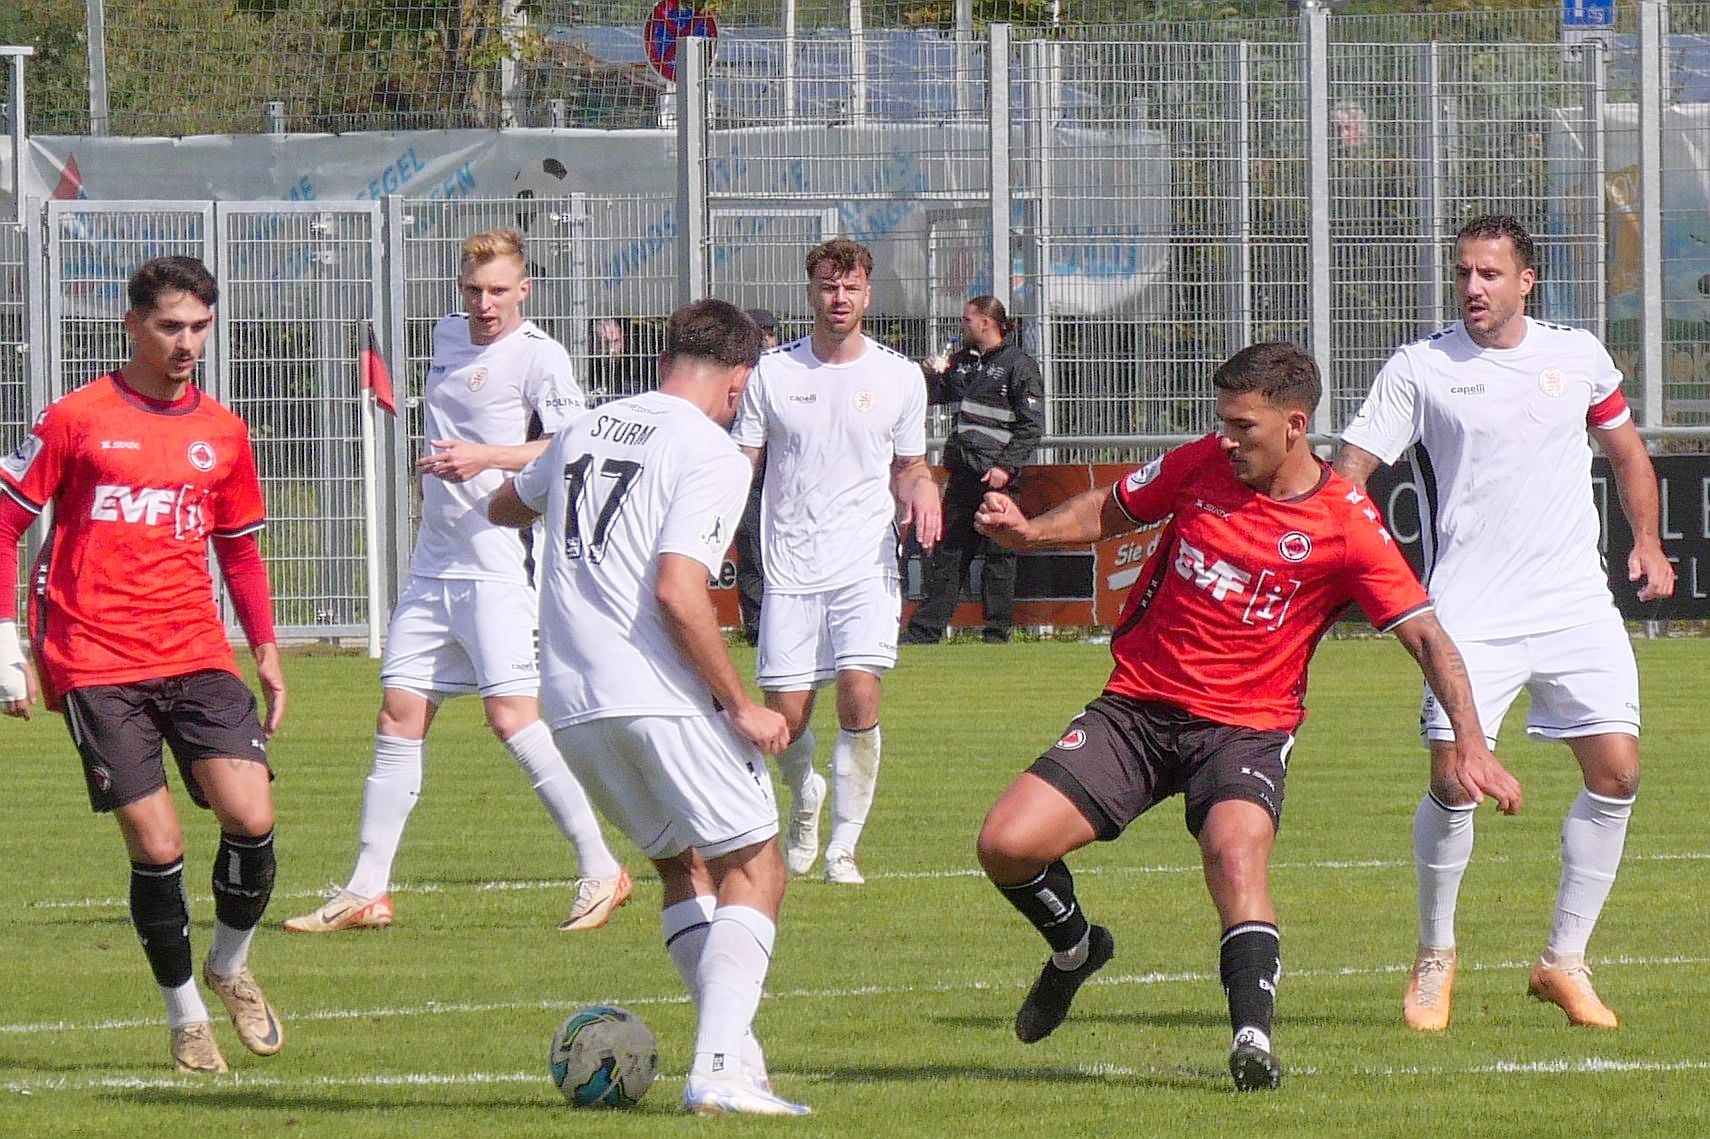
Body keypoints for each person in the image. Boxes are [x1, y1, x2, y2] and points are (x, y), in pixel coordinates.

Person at [972, 342, 1522, 1091]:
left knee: (1235, 855)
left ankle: (1251, 1040)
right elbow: (1112, 508)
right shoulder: (1202, 462)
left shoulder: (1346, 524)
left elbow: (1426, 634)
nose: (1226, 439)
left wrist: (1471, 744)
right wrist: (1031, 531)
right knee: (1005, 844)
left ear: (1295, 425)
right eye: (1222, 422)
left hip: (1246, 728)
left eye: (1243, 426)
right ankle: (1075, 949)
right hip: (1138, 706)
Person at [1334, 213, 1675, 1032]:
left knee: (1619, 772)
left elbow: (1629, 454)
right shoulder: (1421, 367)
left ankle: (1563, 961)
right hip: (1469, 611)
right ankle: (1435, 955)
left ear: (1527, 281)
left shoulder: (1577, 354)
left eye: (1489, 273)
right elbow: (1350, 472)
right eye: (1462, 273)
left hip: (1573, 602)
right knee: (1454, 780)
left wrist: (1649, 542)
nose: (1472, 287)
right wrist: (1346, 560)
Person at [488, 298, 809, 1116]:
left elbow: (503, 505)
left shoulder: (582, 428)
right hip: (657, 695)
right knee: (757, 865)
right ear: (740, 382)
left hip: (570, 702)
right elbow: (677, 588)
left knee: (682, 865)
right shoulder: (712, 449)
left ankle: (738, 1057)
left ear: (666, 358)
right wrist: (741, 704)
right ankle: (721, 1068)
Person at [285, 228, 628, 935]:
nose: (484, 303)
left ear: (524, 289)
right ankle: (367, 889)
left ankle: (602, 867)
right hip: (433, 563)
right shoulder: (446, 335)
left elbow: (571, 444)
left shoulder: (539, 355)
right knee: (398, 714)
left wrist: (485, 456)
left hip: (500, 562)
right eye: (474, 290)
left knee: (512, 719)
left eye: (498, 290)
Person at [0, 256, 288, 1073]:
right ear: (132, 325)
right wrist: (5, 640)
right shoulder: (75, 418)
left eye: (199, 326)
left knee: (251, 815)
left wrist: (266, 648)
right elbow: (5, 521)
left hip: (195, 649)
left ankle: (229, 964)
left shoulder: (223, 431)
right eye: (169, 326)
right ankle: (186, 1015)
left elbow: (239, 550)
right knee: (158, 843)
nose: (186, 342)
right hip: (93, 657)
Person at [731, 239, 943, 885]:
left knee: (859, 690)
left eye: (850, 287)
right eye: (828, 286)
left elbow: (909, 466)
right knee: (784, 721)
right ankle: (806, 796)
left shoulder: (899, 375)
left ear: (868, 295)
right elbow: (743, 461)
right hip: (790, 566)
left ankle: (844, 847)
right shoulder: (773, 372)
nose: (839, 298)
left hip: (864, 563)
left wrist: (923, 490)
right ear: (811, 293)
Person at [902, 295, 1045, 645]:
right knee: (950, 553)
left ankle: (997, 633)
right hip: (964, 471)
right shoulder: (963, 362)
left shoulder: (1018, 364)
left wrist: (1005, 467)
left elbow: (1031, 426)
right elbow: (932, 396)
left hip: (996, 476)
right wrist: (929, 373)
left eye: (967, 320)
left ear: (986, 322)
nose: (962, 326)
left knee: (1000, 555)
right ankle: (925, 631)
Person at [732, 309, 782, 646]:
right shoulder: (732, 374)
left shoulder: (787, 373)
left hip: (782, 476)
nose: (765, 340)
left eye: (770, 332)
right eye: (758, 333)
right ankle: (757, 627)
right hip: (746, 474)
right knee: (752, 551)